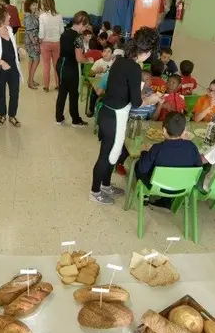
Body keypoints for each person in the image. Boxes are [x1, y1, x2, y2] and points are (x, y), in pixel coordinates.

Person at [90, 27, 158, 205]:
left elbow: (125, 92)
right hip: (114, 117)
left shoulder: (120, 61)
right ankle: (95, 191)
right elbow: (136, 103)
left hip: (110, 112)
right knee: (106, 155)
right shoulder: (134, 68)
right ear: (147, 51)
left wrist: (142, 97)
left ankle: (105, 185)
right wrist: (151, 100)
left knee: (114, 152)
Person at [135, 112, 201, 190]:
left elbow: (143, 168)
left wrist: (144, 152)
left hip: (158, 187)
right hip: (183, 187)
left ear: (164, 130)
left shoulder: (157, 148)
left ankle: (145, 195)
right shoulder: (191, 146)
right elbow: (199, 166)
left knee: (138, 165)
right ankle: (168, 200)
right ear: (184, 131)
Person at [55, 11, 91, 127]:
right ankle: (75, 120)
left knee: (62, 92)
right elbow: (79, 58)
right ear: (80, 23)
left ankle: (59, 118)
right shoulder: (78, 38)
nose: (84, 29)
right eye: (85, 26)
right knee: (74, 94)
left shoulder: (65, 33)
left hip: (61, 65)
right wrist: (88, 60)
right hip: (70, 67)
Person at [38, 0, 64, 92]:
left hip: (45, 43)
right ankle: (58, 85)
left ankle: (46, 86)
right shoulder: (59, 16)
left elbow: (41, 32)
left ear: (44, 5)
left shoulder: (42, 16)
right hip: (57, 43)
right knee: (57, 65)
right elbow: (62, 30)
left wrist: (40, 40)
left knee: (46, 65)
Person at [23, 0, 41, 89]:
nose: (36, 6)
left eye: (36, 4)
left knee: (32, 60)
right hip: (32, 41)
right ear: (28, 6)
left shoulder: (32, 15)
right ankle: (30, 82)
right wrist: (35, 44)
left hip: (33, 40)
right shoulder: (28, 16)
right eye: (33, 4)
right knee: (36, 60)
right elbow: (30, 31)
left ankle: (30, 79)